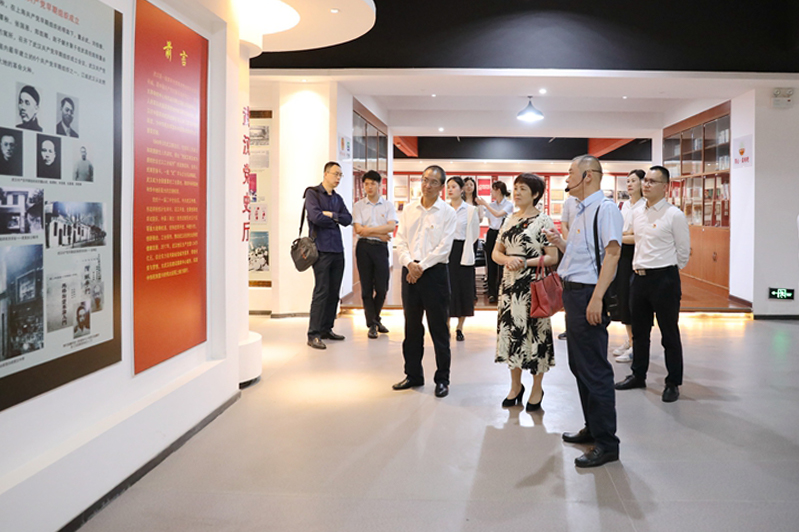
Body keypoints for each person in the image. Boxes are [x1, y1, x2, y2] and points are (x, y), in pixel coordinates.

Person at [544, 155, 623, 468]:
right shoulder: (580, 209)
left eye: (570, 173)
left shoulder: (605, 209)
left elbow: (612, 254)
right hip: (575, 295)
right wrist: (560, 242)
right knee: (579, 365)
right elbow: (583, 255)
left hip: (589, 294)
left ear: (588, 175)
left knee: (594, 368)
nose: (566, 178)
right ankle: (593, 427)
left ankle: (607, 443)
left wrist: (597, 298)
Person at [615, 165, 690, 403]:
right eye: (645, 180)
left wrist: (667, 270)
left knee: (669, 333)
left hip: (664, 279)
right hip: (639, 278)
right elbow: (636, 241)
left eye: (652, 181)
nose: (646, 184)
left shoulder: (673, 215)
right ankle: (638, 375)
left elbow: (683, 251)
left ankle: (673, 382)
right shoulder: (638, 212)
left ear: (665, 187)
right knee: (640, 332)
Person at [493, 173, 558, 411]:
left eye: (523, 189)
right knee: (513, 335)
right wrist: (507, 260)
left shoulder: (544, 221)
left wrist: (524, 262)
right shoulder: (509, 219)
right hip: (510, 287)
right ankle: (515, 386)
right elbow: (496, 252)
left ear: (536, 194)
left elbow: (552, 257)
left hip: (533, 287)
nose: (517, 193)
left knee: (536, 336)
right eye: (516, 188)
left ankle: (537, 387)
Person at [393, 165, 456, 398]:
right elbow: (400, 241)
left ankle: (442, 379)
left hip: (435, 274)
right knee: (411, 328)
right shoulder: (409, 209)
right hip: (410, 273)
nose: (427, 185)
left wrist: (421, 267)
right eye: (424, 180)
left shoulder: (447, 212)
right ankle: (413, 375)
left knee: (439, 329)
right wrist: (410, 264)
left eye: (433, 182)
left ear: (441, 187)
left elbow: (445, 247)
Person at [305, 161, 352, 350]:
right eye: (335, 174)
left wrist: (332, 215)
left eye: (340, 175)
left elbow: (347, 219)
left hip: (337, 250)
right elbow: (315, 217)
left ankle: (326, 328)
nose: (338, 178)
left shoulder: (337, 198)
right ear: (325, 174)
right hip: (321, 250)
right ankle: (313, 334)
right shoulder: (312, 194)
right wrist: (334, 218)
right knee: (321, 291)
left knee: (334, 292)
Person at [353, 170, 397, 339]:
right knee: (366, 287)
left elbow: (391, 227)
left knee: (382, 287)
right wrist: (379, 233)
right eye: (366, 184)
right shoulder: (358, 206)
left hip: (380, 248)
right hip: (363, 248)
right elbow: (358, 230)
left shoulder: (387, 205)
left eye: (372, 183)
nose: (369, 187)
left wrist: (369, 231)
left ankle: (375, 319)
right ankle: (372, 324)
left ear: (380, 185)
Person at [612, 169, 645, 362]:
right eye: (628, 181)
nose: (630, 184)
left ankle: (636, 345)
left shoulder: (644, 206)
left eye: (634, 180)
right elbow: (622, 231)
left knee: (634, 300)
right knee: (623, 297)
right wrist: (625, 234)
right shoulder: (624, 205)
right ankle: (630, 340)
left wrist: (623, 235)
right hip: (623, 254)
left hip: (637, 254)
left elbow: (639, 236)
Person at [446, 176, 480, 341]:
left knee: (463, 290)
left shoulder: (470, 210)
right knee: (447, 289)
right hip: (446, 252)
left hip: (464, 250)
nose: (450, 190)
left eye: (454, 186)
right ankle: (446, 324)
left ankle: (460, 327)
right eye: (448, 187)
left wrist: (467, 251)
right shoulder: (444, 209)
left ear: (461, 189)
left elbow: (474, 234)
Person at [477, 181, 514, 303]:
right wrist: (487, 205)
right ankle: (492, 293)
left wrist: (485, 205)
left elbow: (498, 214)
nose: (491, 192)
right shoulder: (492, 204)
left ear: (498, 190)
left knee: (503, 263)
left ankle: (502, 291)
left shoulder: (508, 204)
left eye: (493, 190)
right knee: (491, 263)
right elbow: (490, 221)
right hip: (492, 233)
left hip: (503, 234)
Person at [556, 194, 579, 340]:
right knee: (568, 289)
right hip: (570, 249)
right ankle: (569, 328)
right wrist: (569, 243)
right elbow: (564, 224)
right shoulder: (570, 201)